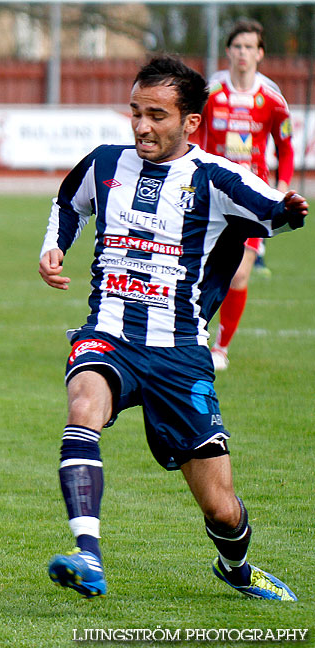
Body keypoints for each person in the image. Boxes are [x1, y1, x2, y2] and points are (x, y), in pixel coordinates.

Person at [39, 55, 306, 601]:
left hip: (180, 351)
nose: (141, 125)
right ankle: (87, 554)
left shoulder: (216, 178)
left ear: (189, 123)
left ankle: (235, 567)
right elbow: (69, 201)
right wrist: (54, 246)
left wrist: (289, 210)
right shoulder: (104, 163)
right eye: (135, 112)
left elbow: (271, 208)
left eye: (156, 115)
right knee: (83, 406)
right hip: (108, 331)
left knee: (221, 508)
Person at [197, 19, 294, 370]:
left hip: (252, 196)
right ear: (228, 51)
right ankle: (193, 336)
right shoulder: (211, 94)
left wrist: (281, 187)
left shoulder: (271, 99)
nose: (243, 53)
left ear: (260, 53)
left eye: (250, 47)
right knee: (201, 270)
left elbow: (285, 146)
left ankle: (220, 348)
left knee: (238, 274)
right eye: (237, 46)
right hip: (210, 194)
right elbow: (193, 137)